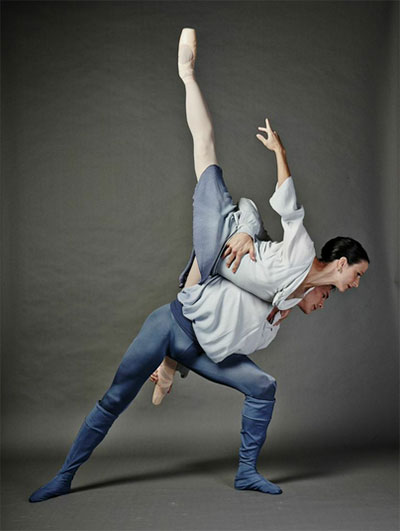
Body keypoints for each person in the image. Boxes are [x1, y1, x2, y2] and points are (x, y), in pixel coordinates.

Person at [28, 28, 368, 504]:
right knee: (205, 155)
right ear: (339, 261)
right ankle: (65, 474)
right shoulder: (297, 252)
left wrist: (278, 307)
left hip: (201, 339)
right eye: (351, 278)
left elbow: (241, 326)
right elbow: (284, 211)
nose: (345, 290)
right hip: (198, 281)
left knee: (263, 385)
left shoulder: (280, 308)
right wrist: (261, 197)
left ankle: (241, 465)